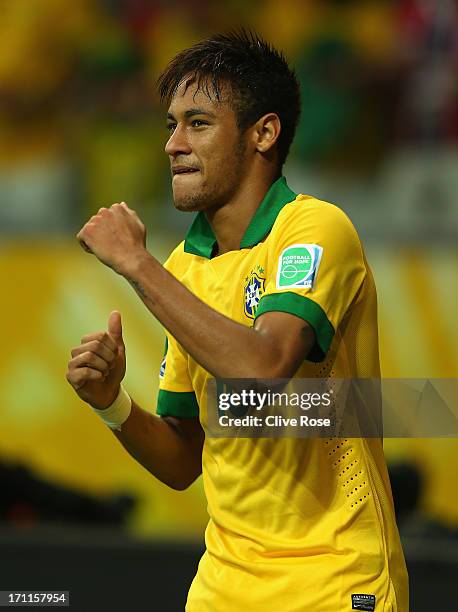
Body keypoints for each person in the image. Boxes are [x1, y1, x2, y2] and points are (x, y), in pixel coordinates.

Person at [66, 31, 408, 611]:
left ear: (263, 134)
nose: (173, 144)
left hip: (335, 577)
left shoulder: (314, 229)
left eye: (197, 123)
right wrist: (110, 403)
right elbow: (181, 459)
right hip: (223, 584)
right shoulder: (186, 267)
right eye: (170, 124)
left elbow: (263, 367)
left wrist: (137, 264)